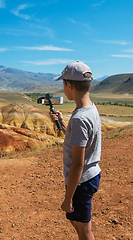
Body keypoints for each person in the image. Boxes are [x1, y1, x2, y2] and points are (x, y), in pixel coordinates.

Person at [50, 61, 101, 240]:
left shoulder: (79, 119)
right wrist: (63, 123)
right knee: (80, 224)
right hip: (90, 176)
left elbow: (78, 164)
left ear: (69, 85)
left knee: (84, 230)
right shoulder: (89, 109)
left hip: (81, 181)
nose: (63, 87)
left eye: (63, 84)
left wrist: (68, 198)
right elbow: (79, 141)